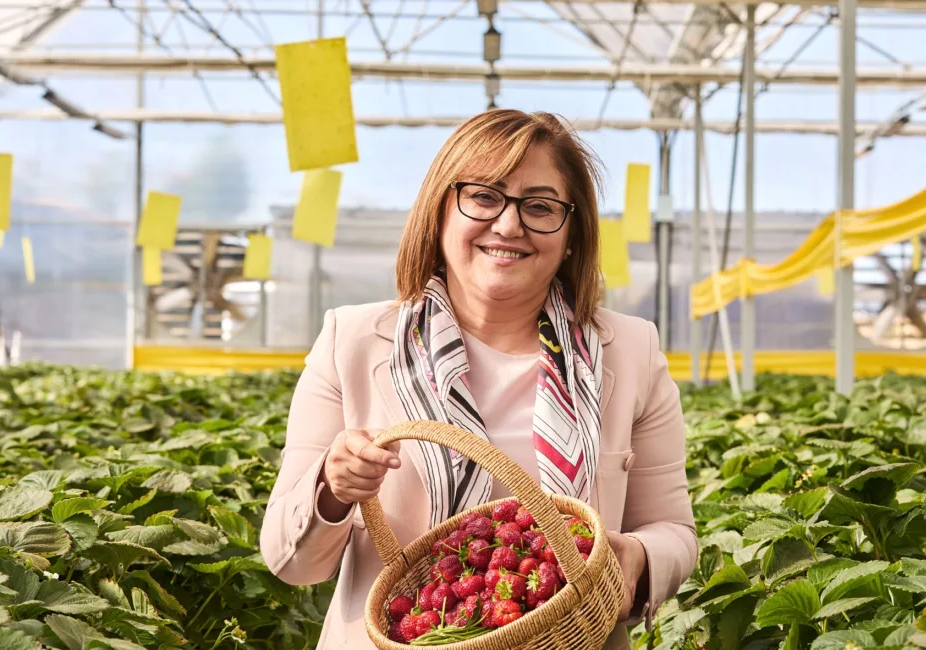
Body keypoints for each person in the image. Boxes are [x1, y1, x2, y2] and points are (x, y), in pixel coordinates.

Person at [260, 109, 697, 650]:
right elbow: (289, 559)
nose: (509, 226)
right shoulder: (351, 342)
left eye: (540, 207)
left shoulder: (630, 351)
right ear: (440, 211)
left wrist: (636, 557)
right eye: (484, 197)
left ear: (571, 232)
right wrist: (333, 488)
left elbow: (674, 531)